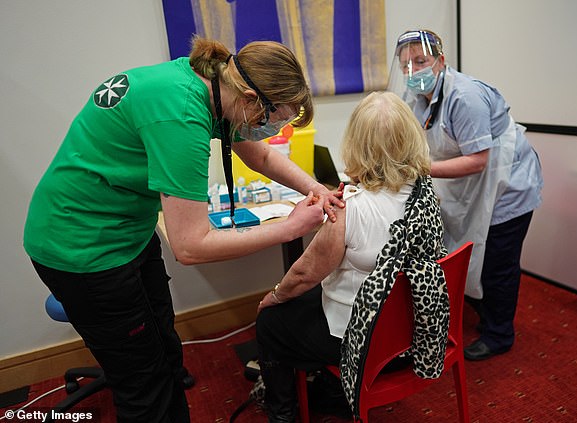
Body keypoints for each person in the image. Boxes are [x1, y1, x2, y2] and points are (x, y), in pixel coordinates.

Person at [23, 36, 344, 423]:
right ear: (250, 98)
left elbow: (257, 154)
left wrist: (315, 189)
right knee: (144, 384)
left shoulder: (213, 80)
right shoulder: (181, 113)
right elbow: (191, 247)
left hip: (128, 231)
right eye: (269, 121)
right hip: (81, 245)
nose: (268, 131)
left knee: (164, 342)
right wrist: (289, 228)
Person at [256, 91, 449, 422]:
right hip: (415, 333)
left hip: (365, 345)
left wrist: (274, 296)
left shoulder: (350, 210)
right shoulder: (426, 192)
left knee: (271, 322)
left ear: (358, 145)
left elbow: (304, 274)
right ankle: (331, 390)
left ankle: (283, 412)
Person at [388, 29, 544, 361]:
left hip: (507, 186)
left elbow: (478, 159)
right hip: (471, 185)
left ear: (441, 60)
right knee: (467, 251)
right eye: (405, 66)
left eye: (421, 61)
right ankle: (485, 313)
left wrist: (418, 169)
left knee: (497, 263)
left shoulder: (465, 96)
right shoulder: (414, 97)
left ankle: (499, 333)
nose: (412, 72)